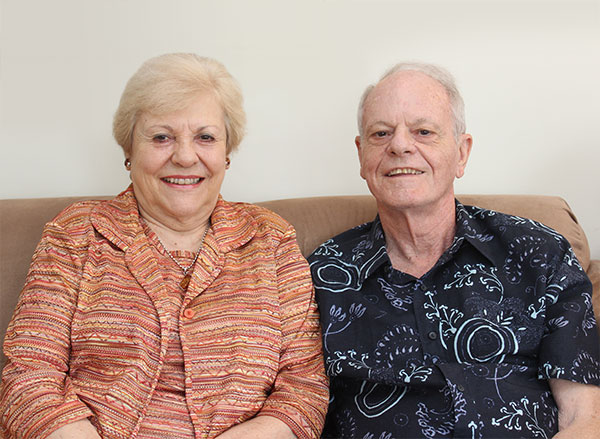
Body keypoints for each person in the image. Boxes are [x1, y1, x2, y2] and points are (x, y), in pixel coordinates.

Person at [0, 53, 328, 439]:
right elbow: (28, 375)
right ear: (129, 150)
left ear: (226, 153)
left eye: (205, 137)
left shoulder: (271, 240)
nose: (185, 156)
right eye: (161, 137)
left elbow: (304, 387)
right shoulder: (76, 234)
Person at [308, 62, 600, 438]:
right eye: (381, 133)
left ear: (461, 154)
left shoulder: (539, 254)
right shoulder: (321, 274)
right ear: (362, 155)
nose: (399, 145)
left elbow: (584, 418)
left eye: (423, 131)